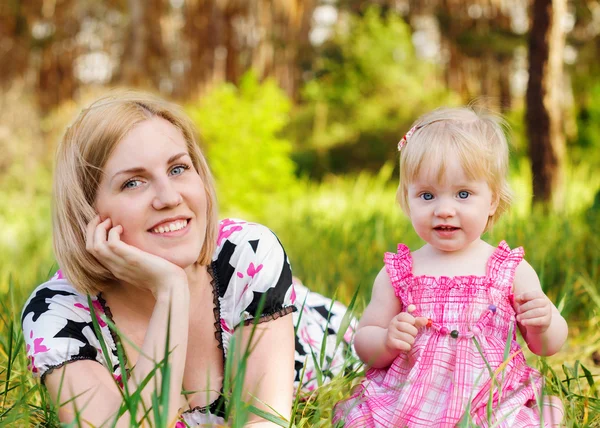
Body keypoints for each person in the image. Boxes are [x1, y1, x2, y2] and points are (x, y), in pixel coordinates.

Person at [21, 92, 354, 427]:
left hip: (351, 339)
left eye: (178, 168)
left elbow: (265, 421)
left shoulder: (248, 253)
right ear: (86, 211)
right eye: (132, 183)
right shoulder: (57, 315)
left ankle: (295, 293)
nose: (169, 197)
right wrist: (170, 292)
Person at [333, 107, 568, 427]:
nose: (444, 210)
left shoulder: (509, 270)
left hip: (491, 400)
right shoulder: (400, 272)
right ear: (406, 199)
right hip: (410, 399)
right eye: (427, 195)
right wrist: (387, 340)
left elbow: (547, 346)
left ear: (493, 200)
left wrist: (543, 323)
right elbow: (365, 343)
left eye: (463, 194)